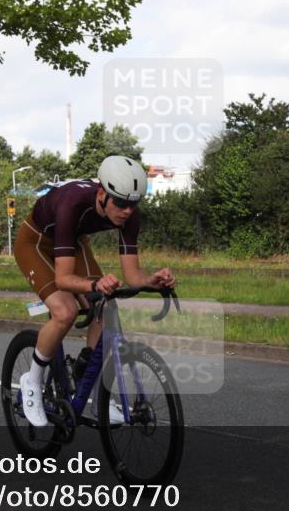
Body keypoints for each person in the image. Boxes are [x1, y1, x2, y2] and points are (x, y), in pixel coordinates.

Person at [13, 156, 175, 427]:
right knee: (65, 311)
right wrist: (92, 285)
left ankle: (85, 375)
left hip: (72, 241)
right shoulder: (71, 204)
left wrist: (151, 281)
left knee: (106, 307)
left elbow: (131, 275)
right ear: (102, 195)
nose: (126, 211)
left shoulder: (129, 216)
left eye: (133, 204)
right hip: (36, 243)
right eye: (121, 203)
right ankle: (32, 380)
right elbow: (64, 279)